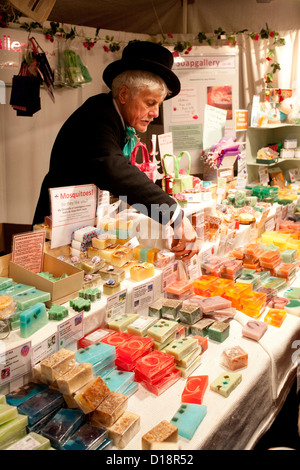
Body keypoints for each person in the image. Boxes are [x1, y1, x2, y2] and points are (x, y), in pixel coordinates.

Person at [33, 40, 199, 259]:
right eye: (150, 103)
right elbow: (114, 170)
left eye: (158, 105)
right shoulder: (97, 116)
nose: (156, 113)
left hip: (80, 226)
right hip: (57, 227)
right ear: (123, 95)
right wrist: (175, 215)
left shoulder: (112, 116)